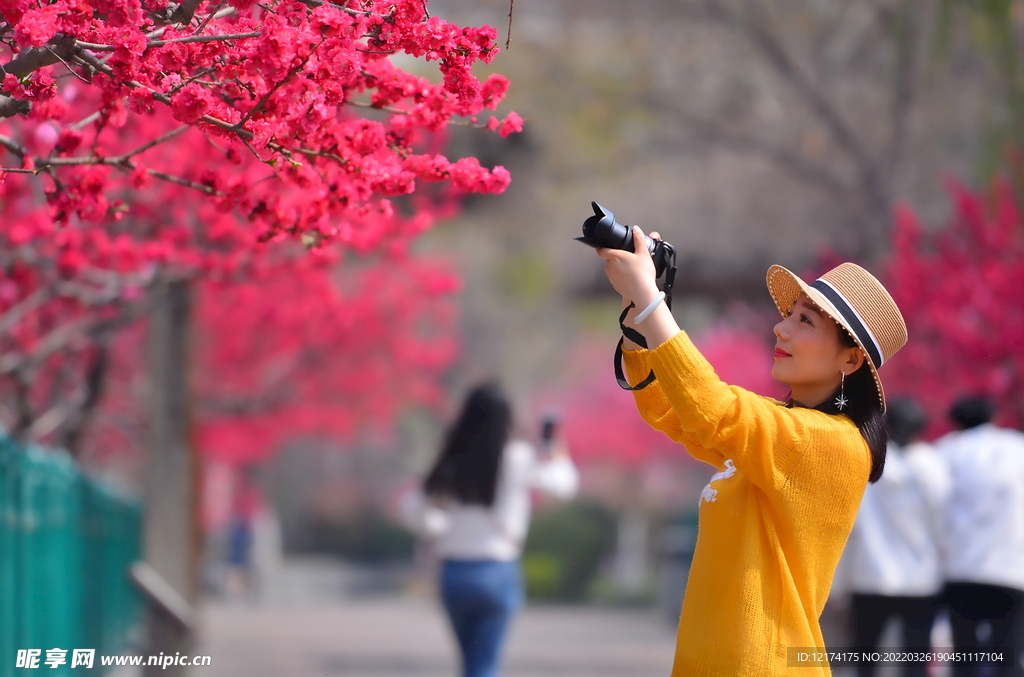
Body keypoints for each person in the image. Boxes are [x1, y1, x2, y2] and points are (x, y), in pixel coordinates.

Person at [597, 227, 907, 676]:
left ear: (850, 360)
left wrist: (651, 302)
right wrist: (638, 315)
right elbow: (672, 410)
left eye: (805, 321)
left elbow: (714, 409)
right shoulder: (781, 432)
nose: (780, 327)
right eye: (789, 315)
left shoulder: (829, 442)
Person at [399, 382, 579, 677]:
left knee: (470, 662)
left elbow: (410, 507)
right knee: (485, 664)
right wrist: (556, 451)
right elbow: (564, 487)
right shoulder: (517, 457)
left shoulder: (450, 458)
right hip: (497, 571)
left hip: (454, 573)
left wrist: (439, 528)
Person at [837, 397, 950, 677]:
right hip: (920, 578)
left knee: (866, 654)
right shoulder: (931, 464)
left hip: (869, 573)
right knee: (915, 656)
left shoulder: (867, 460)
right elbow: (943, 521)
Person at [936, 395, 1024, 677]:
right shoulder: (1017, 448)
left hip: (961, 569)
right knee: (1007, 654)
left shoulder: (945, 451)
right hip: (1012, 569)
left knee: (965, 656)